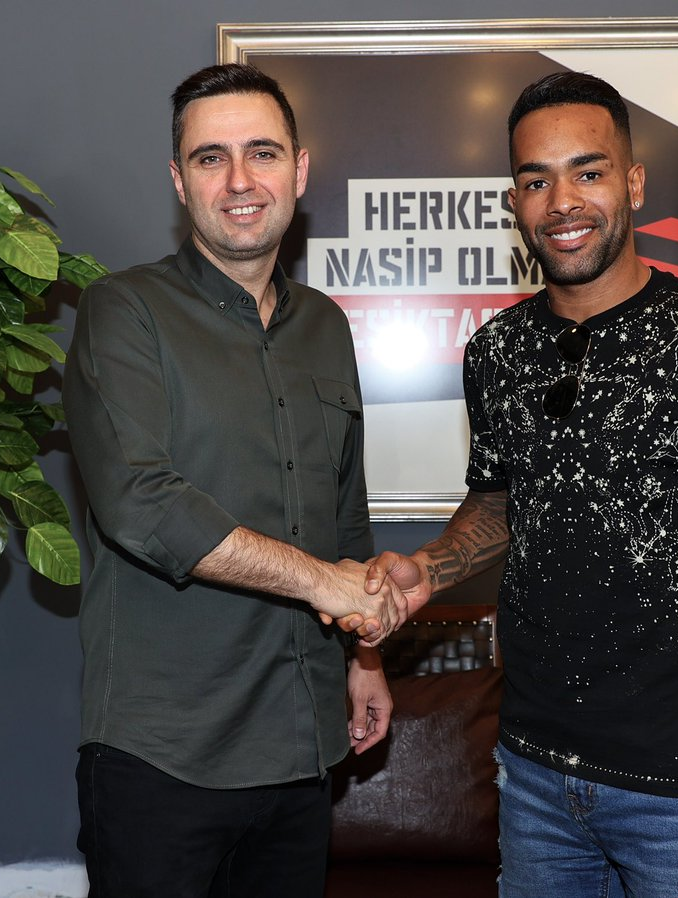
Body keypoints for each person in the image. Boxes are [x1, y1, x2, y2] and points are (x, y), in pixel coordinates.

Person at [363, 71, 678, 896]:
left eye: (588, 171)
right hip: (533, 779)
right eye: (536, 180)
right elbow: (501, 506)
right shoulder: (497, 351)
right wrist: (428, 570)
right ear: (514, 201)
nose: (562, 202)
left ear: (634, 183)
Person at [63, 63, 406, 898]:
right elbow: (141, 504)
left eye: (263, 152)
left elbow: (344, 513)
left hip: (301, 750)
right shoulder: (123, 311)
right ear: (180, 181)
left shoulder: (325, 326)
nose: (241, 180)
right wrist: (322, 582)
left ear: (300, 169)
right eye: (211, 158)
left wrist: (364, 656)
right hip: (163, 755)